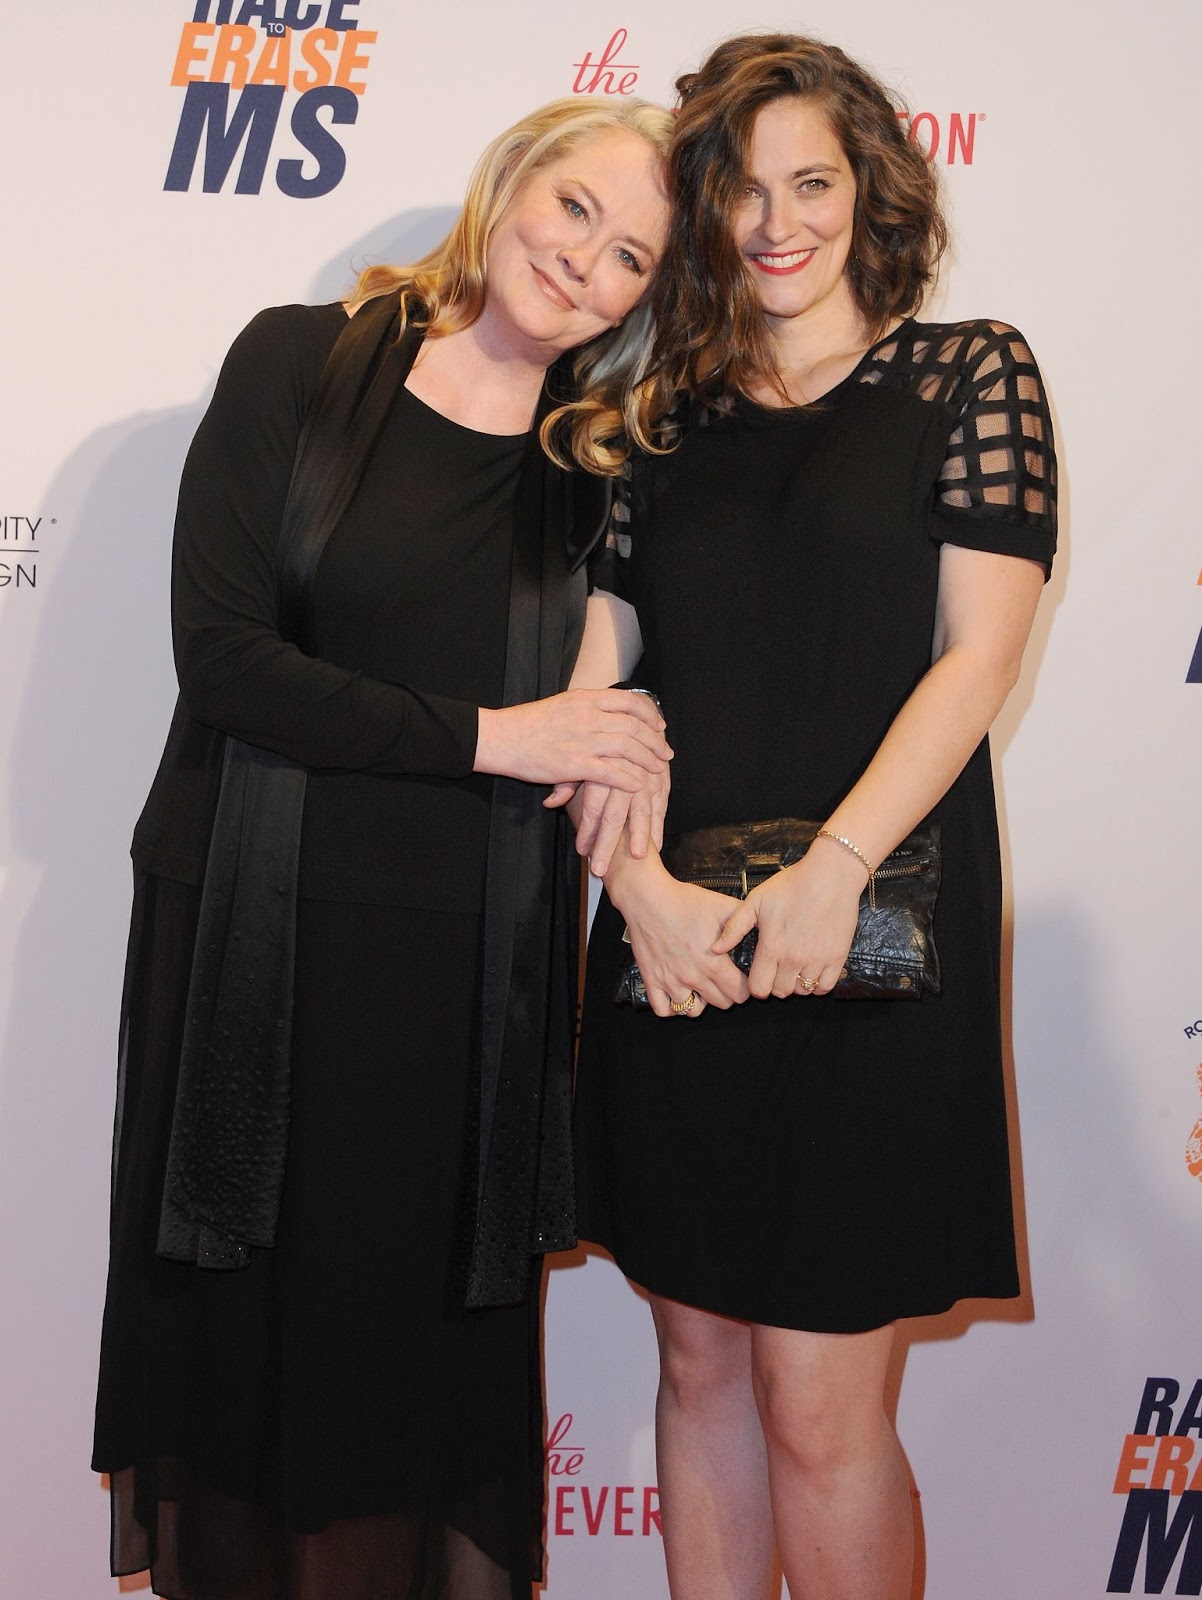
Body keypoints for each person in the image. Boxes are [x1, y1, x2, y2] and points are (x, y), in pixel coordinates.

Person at [91, 96, 673, 1600]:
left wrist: (613, 702)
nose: (585, 267)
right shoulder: (299, 361)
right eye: (573, 213)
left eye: (629, 261)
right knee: (240, 1371)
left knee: (392, 1389)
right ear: (508, 186)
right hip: (248, 948)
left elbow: (629, 685)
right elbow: (224, 662)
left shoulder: (592, 469)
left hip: (453, 985)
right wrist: (503, 733)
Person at [572, 34, 1057, 1600]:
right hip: (677, 948)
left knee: (816, 1395)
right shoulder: (650, 425)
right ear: (702, 211)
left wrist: (831, 871)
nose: (779, 223)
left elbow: (976, 655)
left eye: (814, 183)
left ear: (869, 194)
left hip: (876, 938)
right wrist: (635, 885)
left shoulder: (968, 373)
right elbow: (599, 694)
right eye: (743, 191)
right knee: (700, 1362)